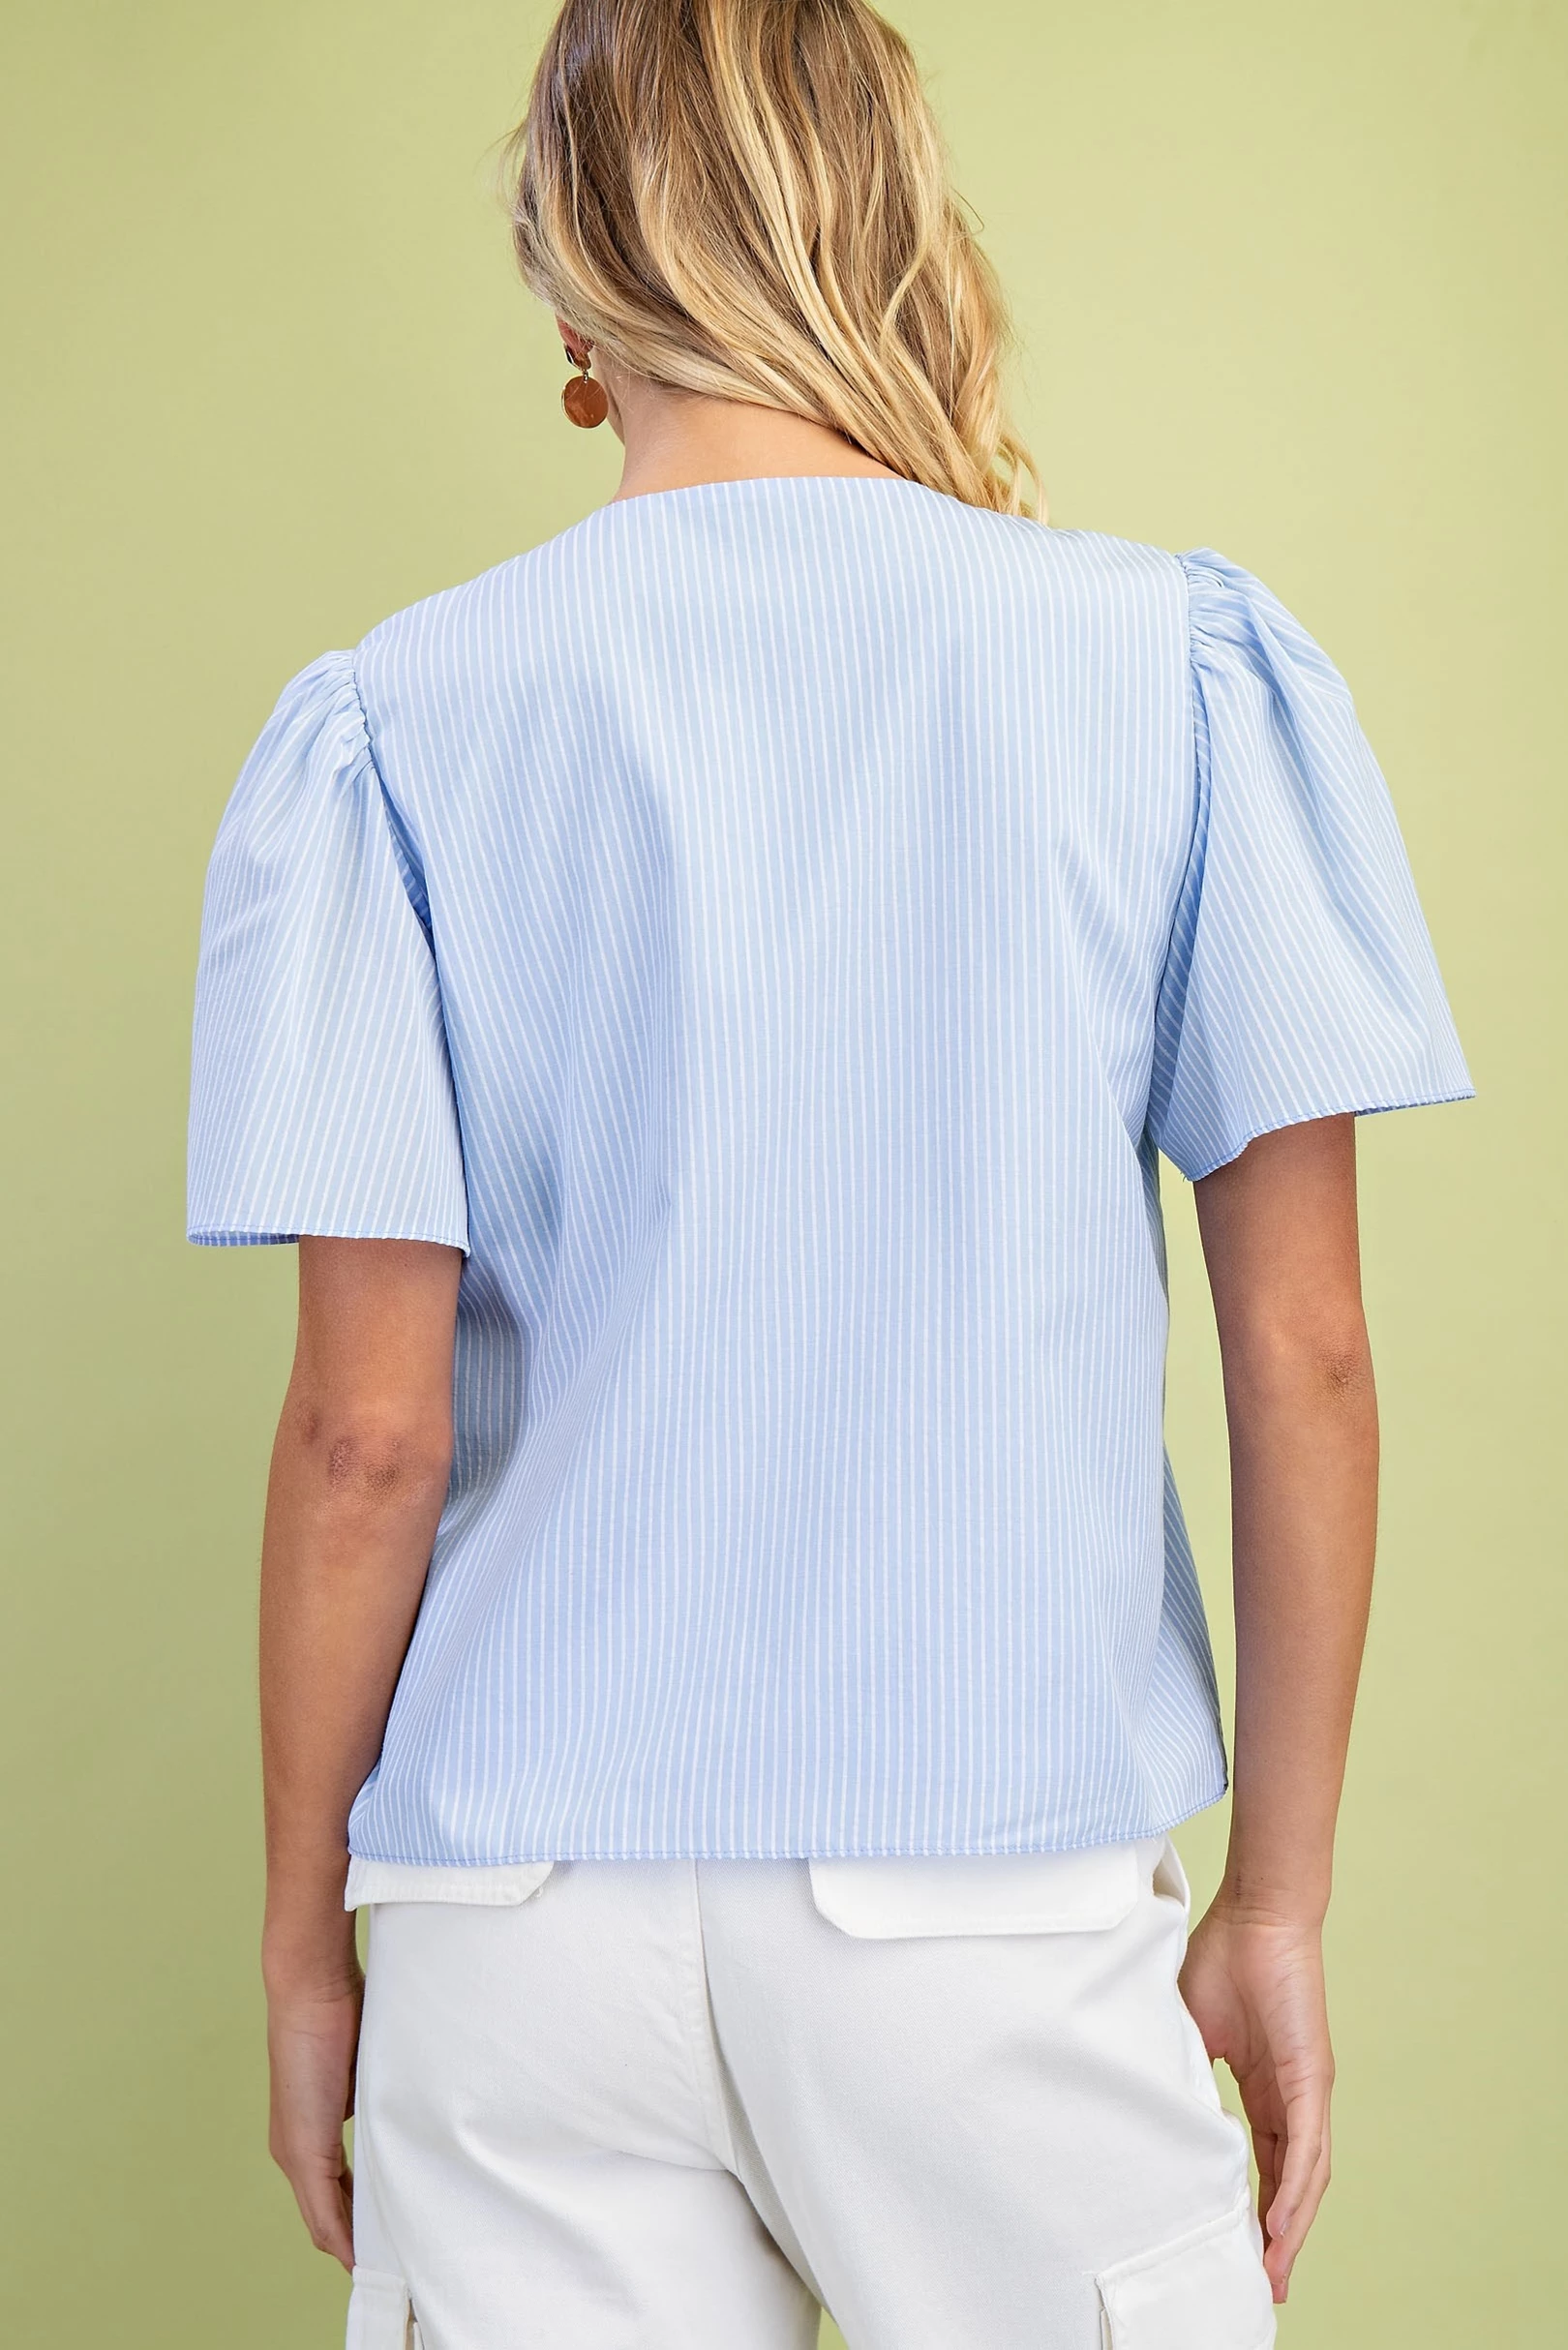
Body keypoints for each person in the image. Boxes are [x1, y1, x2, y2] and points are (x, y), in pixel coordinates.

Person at [185, 3, 1472, 2344]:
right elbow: (1305, 1349)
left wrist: (303, 1943)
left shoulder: (393, 724)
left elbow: (367, 1432)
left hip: (518, 1923)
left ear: (573, 291)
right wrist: (1275, 1895)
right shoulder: (1162, 669)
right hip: (987, 1904)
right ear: (884, 219)